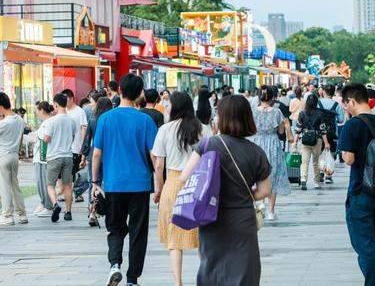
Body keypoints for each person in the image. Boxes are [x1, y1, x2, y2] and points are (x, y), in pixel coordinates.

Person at [180, 95, 272, 286]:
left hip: (211, 217)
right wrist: (244, 196)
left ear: (221, 117)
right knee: (244, 271)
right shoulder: (256, 152)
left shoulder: (208, 145)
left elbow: (185, 177)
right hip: (242, 219)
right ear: (248, 117)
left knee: (212, 268)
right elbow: (265, 190)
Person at [92, 73, 158, 286]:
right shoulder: (146, 120)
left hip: (113, 184)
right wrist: (160, 184)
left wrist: (95, 182)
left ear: (119, 90)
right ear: (140, 94)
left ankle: (115, 265)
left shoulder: (105, 119)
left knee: (115, 227)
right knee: (139, 232)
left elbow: (96, 154)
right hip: (140, 184)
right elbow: (155, 156)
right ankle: (132, 279)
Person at [337, 83, 375, 286]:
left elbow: (349, 159)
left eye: (345, 104)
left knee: (365, 248)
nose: (345, 108)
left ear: (351, 101)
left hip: (360, 192)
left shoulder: (352, 125)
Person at [152, 92, 210, 286]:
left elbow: (159, 165)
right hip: (200, 183)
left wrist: (158, 189)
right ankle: (206, 277)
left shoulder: (165, 130)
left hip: (174, 182)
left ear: (174, 107)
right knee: (203, 234)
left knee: (174, 238)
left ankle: (178, 282)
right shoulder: (204, 129)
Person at [252, 85, 291, 220]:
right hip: (273, 144)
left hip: (257, 144)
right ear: (272, 97)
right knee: (272, 175)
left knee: (259, 175)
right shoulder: (276, 112)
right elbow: (280, 131)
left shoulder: (253, 112)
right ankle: (271, 211)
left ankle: (261, 204)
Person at [0, 92, 27, 226]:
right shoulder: (19, 119)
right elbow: (20, 138)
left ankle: (7, 215)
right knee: (15, 186)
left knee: (4, 187)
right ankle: (22, 214)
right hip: (14, 155)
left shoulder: (4, 123)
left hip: (2, 156)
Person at [41, 93, 77, 222]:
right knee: (67, 185)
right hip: (68, 156)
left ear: (56, 104)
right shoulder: (72, 121)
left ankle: (56, 204)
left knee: (50, 184)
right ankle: (68, 212)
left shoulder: (51, 121)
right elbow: (72, 138)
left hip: (54, 156)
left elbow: (46, 139)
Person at [82, 96, 113, 226]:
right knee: (108, 183)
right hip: (109, 156)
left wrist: (83, 155)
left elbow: (87, 139)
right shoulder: (111, 120)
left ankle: (93, 212)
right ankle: (108, 209)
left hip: (94, 154)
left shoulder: (93, 119)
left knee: (93, 184)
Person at [293, 95, 330, 190]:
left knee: (304, 161)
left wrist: (295, 142)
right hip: (317, 140)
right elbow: (323, 130)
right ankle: (316, 182)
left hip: (305, 140)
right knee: (316, 161)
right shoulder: (320, 114)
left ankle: (303, 180)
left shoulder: (302, 114)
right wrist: (326, 142)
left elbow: (298, 129)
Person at [61, 89, 88, 202]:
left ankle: (77, 193)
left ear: (71, 98)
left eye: (65, 99)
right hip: (64, 147)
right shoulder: (63, 111)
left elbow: (83, 128)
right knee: (65, 173)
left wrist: (82, 145)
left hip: (76, 146)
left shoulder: (79, 111)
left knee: (74, 172)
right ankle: (67, 193)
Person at [33, 101, 55, 218]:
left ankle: (48, 206)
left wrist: (43, 157)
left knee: (43, 182)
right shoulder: (46, 122)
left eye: (37, 110)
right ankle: (44, 204)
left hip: (43, 158)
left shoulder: (47, 123)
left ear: (41, 110)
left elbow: (45, 140)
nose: (36, 113)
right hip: (41, 157)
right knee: (40, 182)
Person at [319, 85, 345, 184]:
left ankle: (321, 172)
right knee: (332, 153)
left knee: (320, 153)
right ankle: (328, 175)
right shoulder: (336, 105)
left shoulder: (318, 103)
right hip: (332, 133)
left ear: (324, 92)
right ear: (333, 92)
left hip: (320, 133)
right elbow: (341, 120)